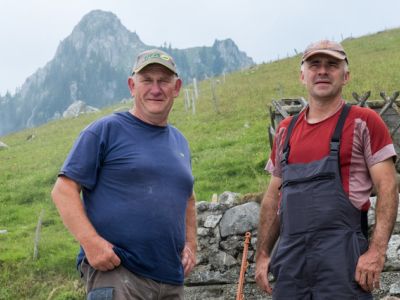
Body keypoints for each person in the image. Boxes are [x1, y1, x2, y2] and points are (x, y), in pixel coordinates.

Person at [255, 40, 399, 299]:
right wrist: (263, 255)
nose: (322, 71)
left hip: (343, 264)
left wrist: (376, 252)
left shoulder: (364, 122)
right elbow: (273, 197)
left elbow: (388, 186)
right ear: (302, 75)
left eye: (332, 65)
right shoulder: (285, 130)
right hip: (291, 264)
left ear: (346, 75)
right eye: (314, 65)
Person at [51, 49, 197, 300]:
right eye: (146, 80)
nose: (155, 88)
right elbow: (63, 190)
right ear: (132, 86)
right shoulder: (106, 130)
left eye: (163, 81)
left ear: (176, 87)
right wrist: (91, 243)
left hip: (171, 281)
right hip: (118, 273)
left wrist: (191, 245)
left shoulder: (180, 142)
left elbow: (188, 199)